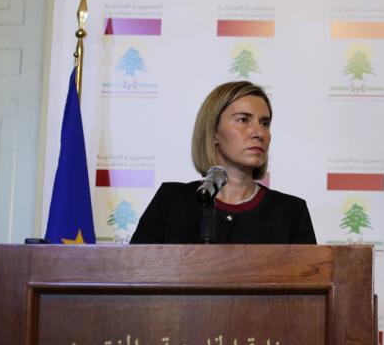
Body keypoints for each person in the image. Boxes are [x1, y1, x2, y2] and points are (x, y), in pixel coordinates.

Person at [130, 81, 316, 244]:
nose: (259, 133)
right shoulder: (171, 202)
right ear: (213, 132)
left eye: (265, 123)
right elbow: (134, 274)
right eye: (243, 120)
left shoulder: (291, 212)